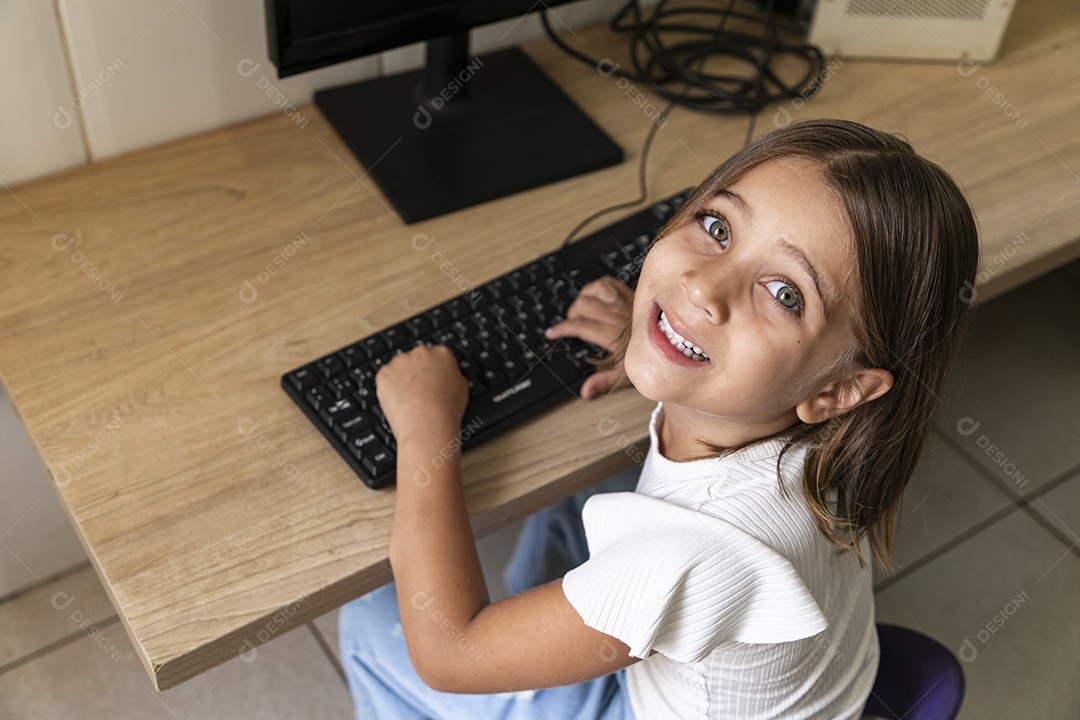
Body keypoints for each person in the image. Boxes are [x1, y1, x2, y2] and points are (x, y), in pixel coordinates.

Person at [338, 119, 980, 719]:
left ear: (841, 390)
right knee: (575, 506)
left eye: (784, 293)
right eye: (719, 228)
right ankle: (544, 635)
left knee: (371, 619)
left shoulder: (690, 555)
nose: (703, 287)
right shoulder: (838, 438)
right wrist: (659, 344)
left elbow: (449, 655)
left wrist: (426, 432)